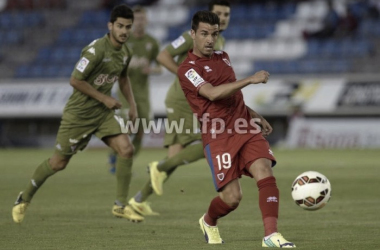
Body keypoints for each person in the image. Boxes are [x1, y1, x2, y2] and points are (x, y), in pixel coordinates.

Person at [12, 4, 144, 223]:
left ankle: (120, 206)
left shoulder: (126, 52)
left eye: (128, 27)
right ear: (110, 26)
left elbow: (123, 78)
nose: (124, 31)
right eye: (120, 26)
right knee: (58, 163)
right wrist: (104, 98)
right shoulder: (95, 50)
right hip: (79, 115)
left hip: (102, 115)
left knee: (126, 149)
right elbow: (75, 80)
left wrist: (133, 105)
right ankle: (23, 198)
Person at [178, 11, 296, 248]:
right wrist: (250, 79)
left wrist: (255, 115)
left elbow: (232, 96)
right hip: (217, 134)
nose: (210, 39)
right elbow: (212, 93)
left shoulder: (224, 57)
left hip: (243, 126)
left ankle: (271, 235)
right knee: (232, 198)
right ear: (193, 34)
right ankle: (209, 221)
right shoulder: (188, 69)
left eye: (214, 34)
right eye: (204, 34)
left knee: (264, 170)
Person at [128, 0, 232, 216]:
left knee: (175, 156)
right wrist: (186, 76)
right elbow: (162, 56)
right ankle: (159, 168)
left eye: (226, 14)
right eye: (218, 13)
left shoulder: (218, 39)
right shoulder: (191, 35)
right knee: (210, 142)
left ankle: (138, 200)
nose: (222, 18)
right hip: (183, 100)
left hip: (194, 101)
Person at [108, 5, 161, 174]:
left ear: (146, 21)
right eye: (136, 20)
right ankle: (115, 157)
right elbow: (111, 64)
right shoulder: (124, 40)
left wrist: (151, 69)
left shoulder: (152, 42)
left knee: (140, 131)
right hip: (125, 94)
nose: (140, 23)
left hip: (143, 95)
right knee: (126, 128)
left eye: (142, 19)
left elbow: (160, 66)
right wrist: (127, 64)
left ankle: (126, 161)